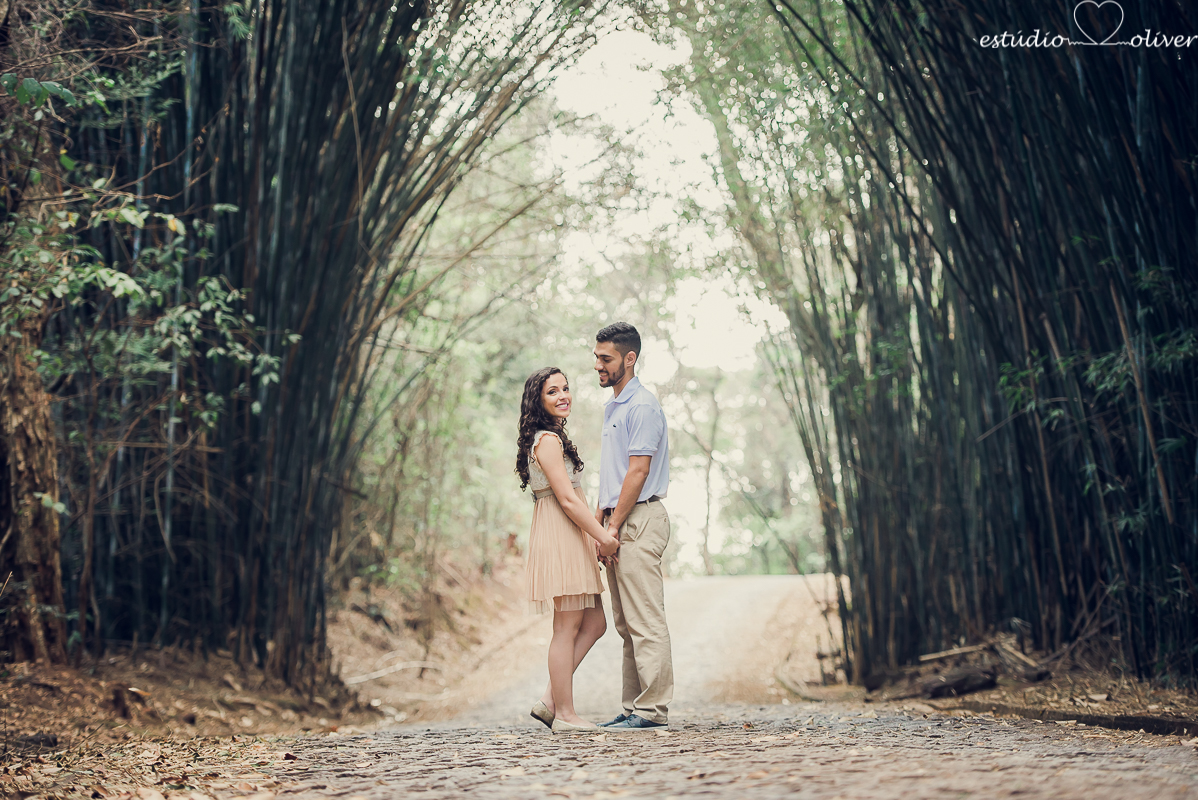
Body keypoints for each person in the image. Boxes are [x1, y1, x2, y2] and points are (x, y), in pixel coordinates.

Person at [517, 366, 620, 734]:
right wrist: (603, 537)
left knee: (595, 622)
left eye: (566, 388)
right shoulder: (547, 440)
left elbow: (571, 498)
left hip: (568, 532)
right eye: (552, 391)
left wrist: (591, 537)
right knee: (566, 627)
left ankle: (549, 700)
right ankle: (565, 714)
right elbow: (568, 500)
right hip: (561, 533)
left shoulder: (550, 437)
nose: (563, 396)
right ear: (538, 401)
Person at [592, 322, 673, 732]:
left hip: (639, 519)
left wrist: (615, 525)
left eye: (605, 358)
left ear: (629, 358)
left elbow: (638, 472)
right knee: (626, 625)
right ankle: (633, 707)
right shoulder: (615, 406)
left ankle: (652, 710)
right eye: (596, 358)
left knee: (645, 620)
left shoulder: (642, 406)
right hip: (618, 520)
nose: (598, 366)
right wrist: (599, 524)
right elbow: (614, 474)